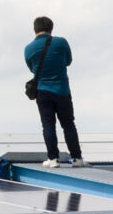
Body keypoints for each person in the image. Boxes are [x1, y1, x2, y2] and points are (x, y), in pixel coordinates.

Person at [24, 15, 81, 167]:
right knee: (68, 124)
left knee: (48, 125)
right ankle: (77, 158)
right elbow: (68, 61)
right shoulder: (61, 42)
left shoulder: (28, 48)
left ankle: (53, 159)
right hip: (62, 90)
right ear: (51, 28)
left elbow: (32, 68)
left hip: (42, 90)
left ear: (34, 29)